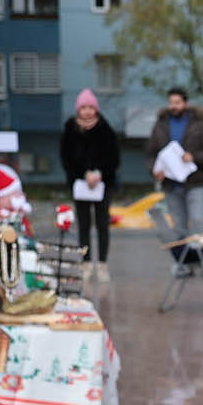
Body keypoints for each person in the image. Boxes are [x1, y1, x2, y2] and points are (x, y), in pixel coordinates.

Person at [61, 90, 124, 282]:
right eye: (83, 108)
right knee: (84, 226)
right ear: (78, 109)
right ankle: (85, 263)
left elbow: (114, 158)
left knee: (102, 224)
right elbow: (66, 158)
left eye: (90, 107)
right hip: (80, 185)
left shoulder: (106, 129)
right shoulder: (70, 129)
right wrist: (83, 174)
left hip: (103, 185)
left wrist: (99, 173)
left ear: (95, 109)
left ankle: (102, 264)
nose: (87, 112)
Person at [147, 85, 203, 240]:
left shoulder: (199, 123)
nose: (173, 106)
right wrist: (154, 169)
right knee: (179, 227)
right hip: (171, 184)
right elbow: (151, 153)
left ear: (185, 103)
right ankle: (184, 262)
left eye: (177, 102)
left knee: (198, 221)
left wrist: (194, 157)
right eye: (171, 102)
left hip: (195, 181)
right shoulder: (160, 125)